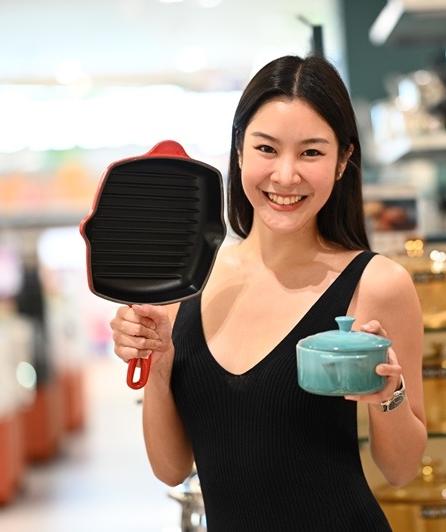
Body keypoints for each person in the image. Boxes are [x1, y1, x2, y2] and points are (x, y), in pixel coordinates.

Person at [109, 54, 427, 531]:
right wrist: (157, 362)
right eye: (266, 148)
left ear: (343, 161)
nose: (285, 175)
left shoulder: (377, 284)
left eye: (311, 153)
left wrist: (388, 393)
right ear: (239, 151)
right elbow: (171, 468)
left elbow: (402, 470)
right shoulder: (188, 281)